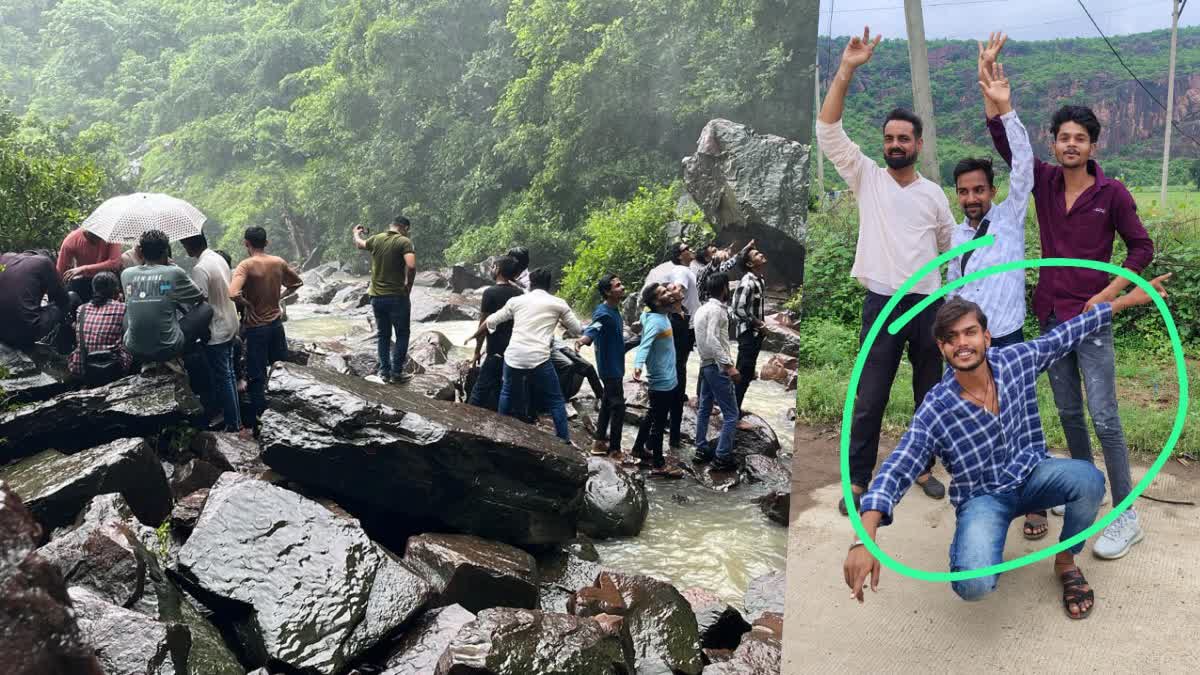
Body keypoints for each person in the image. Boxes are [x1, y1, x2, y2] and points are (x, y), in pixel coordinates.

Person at [843, 278, 1168, 620]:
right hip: (983, 498)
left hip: (1033, 474)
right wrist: (863, 537)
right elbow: (899, 465)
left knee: (1089, 480)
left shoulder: (1017, 360)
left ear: (986, 336)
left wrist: (1127, 300)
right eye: (950, 338)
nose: (961, 343)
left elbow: (1067, 333)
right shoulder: (936, 408)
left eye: (969, 332)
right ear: (941, 348)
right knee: (974, 585)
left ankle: (1066, 561)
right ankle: (980, 550)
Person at [981, 35, 1155, 560]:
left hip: (1092, 318)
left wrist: (1108, 293)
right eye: (1063, 137)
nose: (1071, 144)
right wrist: (994, 91)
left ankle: (1126, 513)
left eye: (1081, 137)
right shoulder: (1043, 182)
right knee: (1069, 413)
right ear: (1054, 143)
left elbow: (1142, 249)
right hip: (1054, 315)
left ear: (1094, 145)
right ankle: (1083, 488)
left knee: (1104, 415)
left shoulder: (1113, 193)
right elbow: (1007, 146)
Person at [817, 27, 955, 515]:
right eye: (889, 138)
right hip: (881, 303)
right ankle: (858, 481)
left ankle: (923, 466)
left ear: (917, 143)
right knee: (869, 395)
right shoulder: (866, 178)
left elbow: (946, 248)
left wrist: (946, 300)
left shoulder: (934, 194)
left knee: (928, 394)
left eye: (904, 138)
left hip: (928, 306)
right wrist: (847, 69)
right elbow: (828, 131)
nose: (896, 144)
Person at [950, 56, 1041, 538]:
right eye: (964, 191)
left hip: (1008, 340)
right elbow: (951, 294)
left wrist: (1004, 109)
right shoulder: (956, 240)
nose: (972, 198)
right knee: (978, 423)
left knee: (1022, 420)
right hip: (970, 349)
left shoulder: (1009, 218)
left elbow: (1024, 165)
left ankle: (1035, 504)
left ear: (992, 190)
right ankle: (985, 496)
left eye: (979, 189)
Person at [466, 267, 581, 443]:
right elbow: (577, 329)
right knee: (556, 400)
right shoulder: (558, 303)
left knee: (507, 392)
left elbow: (491, 320)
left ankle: (499, 433)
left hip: (514, 356)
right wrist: (560, 321)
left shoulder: (516, 301)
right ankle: (564, 440)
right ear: (549, 285)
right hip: (539, 358)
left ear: (531, 283)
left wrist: (475, 335)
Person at [229, 226, 303, 438]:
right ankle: (288, 417)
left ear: (246, 244)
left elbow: (232, 293)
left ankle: (260, 424)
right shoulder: (278, 262)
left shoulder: (246, 265)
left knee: (256, 377)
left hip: (256, 328)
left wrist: (247, 304)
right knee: (282, 371)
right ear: (267, 242)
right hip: (276, 325)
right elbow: (297, 282)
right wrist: (279, 297)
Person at [121, 230, 211, 365]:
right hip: (169, 348)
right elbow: (200, 297)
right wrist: (173, 266)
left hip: (134, 349)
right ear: (165, 251)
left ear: (141, 252)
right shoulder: (173, 272)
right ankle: (188, 352)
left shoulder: (126, 274)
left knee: (130, 309)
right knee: (206, 309)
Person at [181, 233, 242, 433]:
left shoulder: (199, 268)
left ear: (190, 244)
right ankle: (235, 418)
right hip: (231, 321)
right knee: (230, 374)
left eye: (184, 244)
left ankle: (233, 423)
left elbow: (201, 303)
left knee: (223, 376)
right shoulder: (217, 259)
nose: (184, 248)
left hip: (216, 328)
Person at [353, 216, 417, 384]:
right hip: (397, 296)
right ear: (405, 228)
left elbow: (360, 244)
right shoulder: (404, 242)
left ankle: (384, 372)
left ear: (391, 226)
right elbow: (411, 265)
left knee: (383, 335)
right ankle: (397, 372)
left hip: (376, 297)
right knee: (402, 334)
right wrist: (408, 286)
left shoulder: (377, 239)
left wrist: (356, 233)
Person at [633, 282, 685, 478]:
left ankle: (638, 448)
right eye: (664, 292)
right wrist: (638, 365)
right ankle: (658, 464)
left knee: (653, 414)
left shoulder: (660, 315)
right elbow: (644, 344)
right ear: (656, 301)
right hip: (662, 381)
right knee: (659, 422)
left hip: (667, 377)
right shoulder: (655, 322)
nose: (669, 292)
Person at [577, 274, 631, 458]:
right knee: (618, 406)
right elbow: (594, 327)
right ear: (608, 292)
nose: (622, 287)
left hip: (616, 364)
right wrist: (584, 339)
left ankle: (599, 442)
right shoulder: (603, 313)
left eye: (621, 283)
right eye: (618, 285)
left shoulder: (614, 310)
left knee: (608, 403)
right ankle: (615, 449)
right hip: (610, 368)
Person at [693, 272, 740, 472]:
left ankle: (701, 448)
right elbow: (712, 339)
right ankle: (722, 456)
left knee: (704, 408)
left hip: (705, 364)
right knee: (731, 414)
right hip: (717, 366)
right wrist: (728, 365)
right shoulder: (717, 311)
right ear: (724, 289)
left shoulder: (701, 309)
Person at [468, 256, 525, 411]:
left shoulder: (490, 293)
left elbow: (484, 324)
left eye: (493, 266)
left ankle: (465, 420)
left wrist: (477, 352)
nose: (491, 269)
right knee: (506, 389)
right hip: (514, 350)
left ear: (498, 270)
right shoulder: (520, 294)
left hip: (495, 350)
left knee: (479, 391)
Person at [0, 250, 78, 350]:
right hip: (26, 331)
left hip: (2, 331)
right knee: (72, 297)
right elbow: (62, 299)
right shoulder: (44, 262)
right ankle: (69, 343)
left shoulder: (5, 258)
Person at [68, 272, 131, 384]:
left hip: (81, 366)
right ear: (116, 289)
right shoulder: (122, 308)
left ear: (94, 289)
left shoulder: (81, 309)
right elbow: (130, 335)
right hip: (112, 368)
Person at [730, 247, 769, 414]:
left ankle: (734, 408)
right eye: (756, 254)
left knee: (746, 373)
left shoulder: (760, 280)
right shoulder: (747, 282)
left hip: (756, 335)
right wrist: (758, 324)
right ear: (749, 263)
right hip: (747, 334)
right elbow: (737, 309)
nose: (761, 253)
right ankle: (732, 411)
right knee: (743, 374)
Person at [57, 227, 123, 303]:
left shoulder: (111, 235)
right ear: (86, 232)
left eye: (100, 237)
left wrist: (83, 268)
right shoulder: (71, 240)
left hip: (108, 278)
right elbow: (60, 270)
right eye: (94, 237)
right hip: (84, 280)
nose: (97, 241)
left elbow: (115, 262)